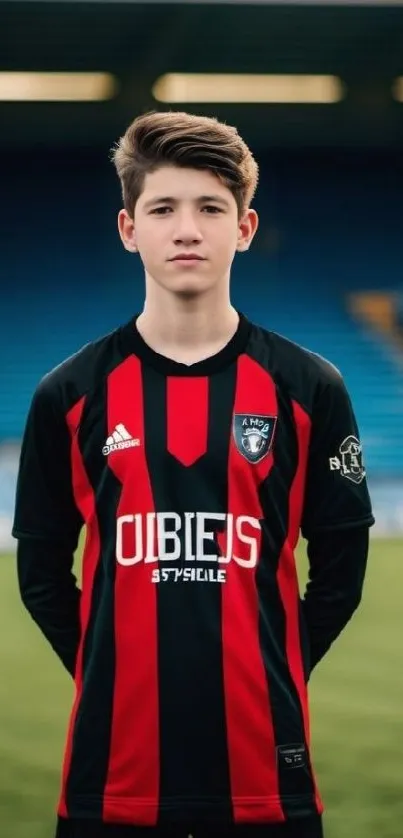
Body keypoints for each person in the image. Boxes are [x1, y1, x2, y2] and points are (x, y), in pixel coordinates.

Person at [12, 110, 374, 838]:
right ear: (128, 228)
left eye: (210, 208)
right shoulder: (67, 395)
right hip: (110, 780)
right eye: (163, 209)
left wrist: (270, 666)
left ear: (243, 228)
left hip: (265, 778)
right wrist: (104, 670)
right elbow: (42, 573)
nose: (186, 229)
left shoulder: (310, 388)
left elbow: (340, 569)